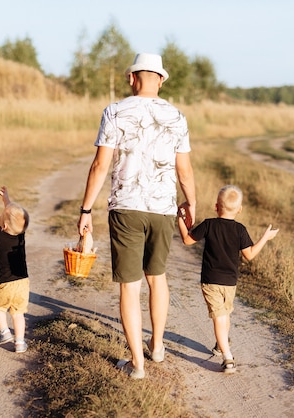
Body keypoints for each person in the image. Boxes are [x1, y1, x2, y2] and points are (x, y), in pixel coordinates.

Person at [77, 53, 196, 379]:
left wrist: (86, 210)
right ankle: (157, 347)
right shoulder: (177, 117)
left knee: (129, 287)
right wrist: (191, 204)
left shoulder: (114, 112)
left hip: (126, 207)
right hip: (162, 209)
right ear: (160, 80)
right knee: (157, 278)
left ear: (132, 78)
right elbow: (183, 170)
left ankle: (137, 364)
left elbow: (101, 165)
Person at [176, 185, 279, 373]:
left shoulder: (208, 224)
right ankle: (220, 345)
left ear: (216, 206)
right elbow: (249, 255)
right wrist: (265, 238)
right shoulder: (240, 229)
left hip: (210, 280)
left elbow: (187, 240)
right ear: (239, 210)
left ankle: (228, 358)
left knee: (219, 318)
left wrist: (181, 219)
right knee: (224, 315)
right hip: (230, 282)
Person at [0, 186, 30, 353]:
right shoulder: (20, 235)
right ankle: (19, 343)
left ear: (3, 225)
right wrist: (7, 200)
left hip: (4, 283)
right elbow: (14, 215)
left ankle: (4, 332)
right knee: (18, 314)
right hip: (22, 283)